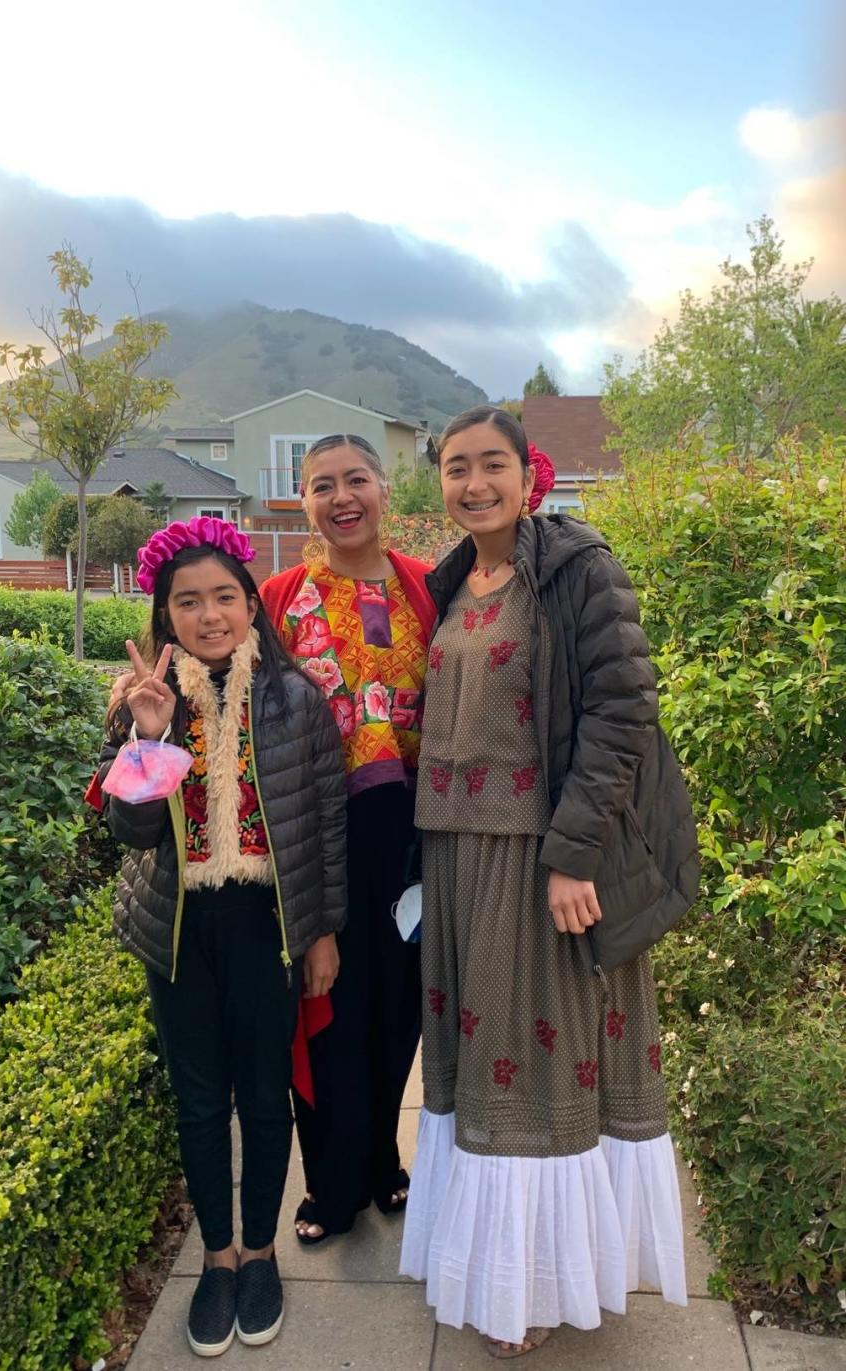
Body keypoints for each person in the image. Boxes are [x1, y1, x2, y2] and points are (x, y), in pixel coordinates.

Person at [400, 406, 698, 1358]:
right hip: (453, 855)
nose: (474, 483)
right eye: (456, 468)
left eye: (493, 464)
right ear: (439, 482)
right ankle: (492, 1259)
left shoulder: (576, 569)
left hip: (536, 859)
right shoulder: (451, 582)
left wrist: (572, 853)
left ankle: (532, 1283)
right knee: (477, 1073)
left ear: (530, 475)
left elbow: (623, 711)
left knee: (532, 1068)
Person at [95, 516, 347, 1358]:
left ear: (250, 604)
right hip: (179, 931)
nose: (210, 616)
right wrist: (150, 736)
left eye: (225, 598)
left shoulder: (297, 699)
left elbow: (322, 828)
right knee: (200, 1101)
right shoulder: (139, 702)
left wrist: (319, 934)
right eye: (188, 602)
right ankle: (217, 1258)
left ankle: (264, 1253)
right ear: (165, 616)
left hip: (265, 927)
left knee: (265, 1094)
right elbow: (128, 835)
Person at [260, 433, 437, 1243]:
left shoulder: (426, 589)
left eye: (356, 478)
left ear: (383, 488)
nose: (342, 496)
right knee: (326, 1002)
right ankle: (328, 1187)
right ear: (303, 500)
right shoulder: (279, 597)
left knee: (396, 1005)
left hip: (409, 832)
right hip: (317, 834)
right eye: (321, 484)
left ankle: (382, 1164)